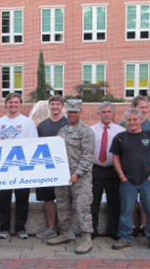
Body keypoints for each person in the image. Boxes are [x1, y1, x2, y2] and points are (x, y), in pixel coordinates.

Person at [47, 99, 95, 255]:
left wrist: (77, 173)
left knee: (82, 207)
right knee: (62, 205)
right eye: (70, 111)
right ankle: (65, 233)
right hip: (63, 176)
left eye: (75, 111)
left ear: (80, 112)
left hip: (80, 177)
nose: (72, 114)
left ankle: (86, 237)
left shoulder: (86, 132)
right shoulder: (63, 130)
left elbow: (88, 156)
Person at [111, 108, 150, 252]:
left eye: (135, 119)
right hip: (128, 181)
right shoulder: (120, 137)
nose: (132, 123)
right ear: (126, 122)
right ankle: (124, 237)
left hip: (147, 180)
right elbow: (115, 157)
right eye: (129, 120)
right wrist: (122, 176)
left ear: (140, 120)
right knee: (126, 210)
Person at [0, 92, 37, 239]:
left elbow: (33, 144)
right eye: (10, 102)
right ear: (6, 103)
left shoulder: (27, 123)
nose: (13, 105)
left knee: (22, 198)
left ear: (20, 104)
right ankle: (4, 228)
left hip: (22, 167)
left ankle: (20, 228)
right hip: (4, 167)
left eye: (16, 102)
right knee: (3, 199)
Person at [118, 95, 150, 236]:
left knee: (149, 205)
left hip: (147, 172)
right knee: (129, 205)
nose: (145, 110)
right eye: (142, 107)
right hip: (128, 173)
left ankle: (145, 226)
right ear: (134, 108)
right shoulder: (123, 124)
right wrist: (122, 175)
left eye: (147, 107)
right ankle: (131, 227)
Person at [88, 102, 124, 240]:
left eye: (109, 111)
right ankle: (92, 230)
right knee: (93, 202)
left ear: (113, 113)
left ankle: (113, 230)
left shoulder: (120, 132)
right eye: (104, 112)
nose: (107, 114)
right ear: (99, 114)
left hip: (114, 170)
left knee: (114, 203)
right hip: (96, 169)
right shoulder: (91, 130)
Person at [34, 95, 68, 239]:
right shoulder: (42, 125)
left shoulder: (69, 124)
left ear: (63, 106)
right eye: (52, 104)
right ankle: (51, 228)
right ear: (49, 106)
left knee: (64, 199)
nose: (55, 107)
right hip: (46, 168)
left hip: (64, 168)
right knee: (47, 199)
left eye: (57, 104)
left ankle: (66, 229)